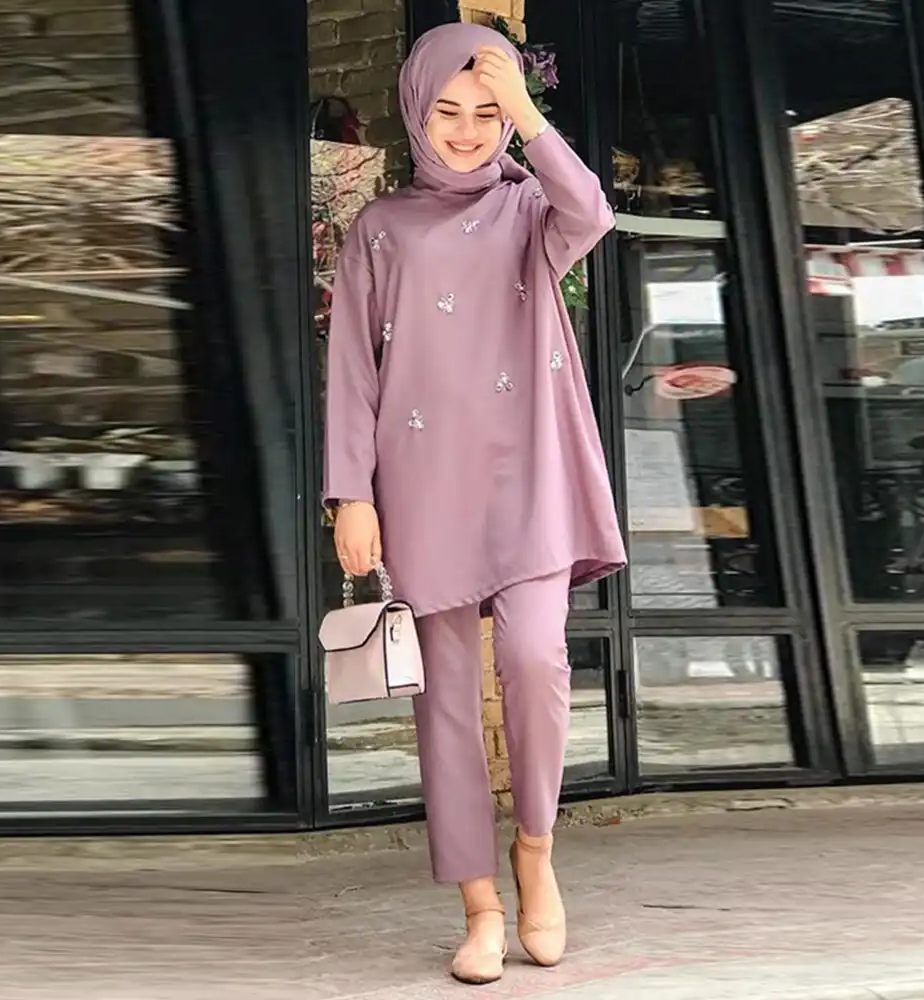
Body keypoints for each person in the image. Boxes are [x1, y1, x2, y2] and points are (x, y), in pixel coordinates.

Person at [323, 21, 626, 985]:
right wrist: (350, 493)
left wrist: (530, 115)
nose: (465, 131)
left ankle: (536, 852)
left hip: (530, 471)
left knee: (536, 659)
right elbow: (351, 371)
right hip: (421, 482)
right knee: (446, 701)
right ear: (417, 111)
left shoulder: (533, 209)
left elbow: (595, 210)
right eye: (448, 111)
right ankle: (480, 906)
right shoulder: (379, 228)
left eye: (486, 113)